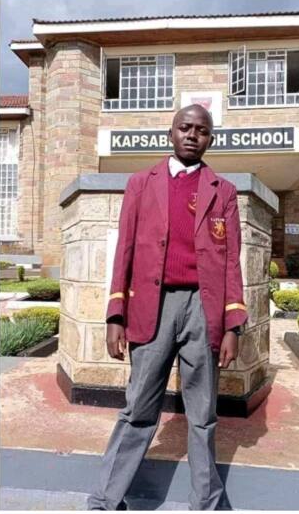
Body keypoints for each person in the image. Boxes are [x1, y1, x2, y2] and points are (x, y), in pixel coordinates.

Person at [88, 105, 244, 510]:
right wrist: (115, 315)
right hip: (151, 308)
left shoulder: (222, 191)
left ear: (211, 138)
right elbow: (124, 251)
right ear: (170, 133)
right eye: (185, 128)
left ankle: (206, 502)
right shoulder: (142, 184)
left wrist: (232, 326)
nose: (193, 135)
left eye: (202, 131)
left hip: (203, 309)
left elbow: (231, 262)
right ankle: (105, 500)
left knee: (203, 415)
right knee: (138, 408)